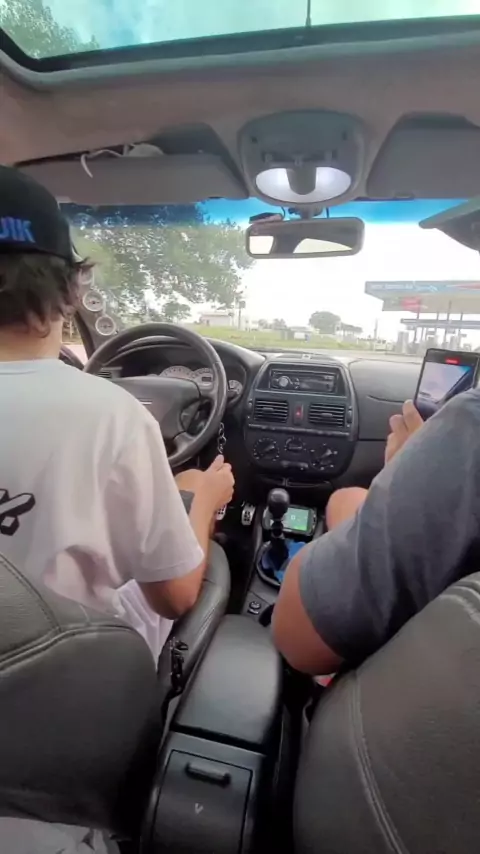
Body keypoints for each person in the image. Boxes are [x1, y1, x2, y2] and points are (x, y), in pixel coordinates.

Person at [0, 165, 234, 664]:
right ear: (70, 289)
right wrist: (202, 498)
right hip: (60, 681)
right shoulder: (112, 416)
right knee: (198, 540)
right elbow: (174, 597)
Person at [272, 391, 480, 675]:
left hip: (397, 684)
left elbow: (295, 636)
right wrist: (411, 477)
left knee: (342, 499)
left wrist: (406, 472)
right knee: (346, 499)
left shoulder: (471, 421)